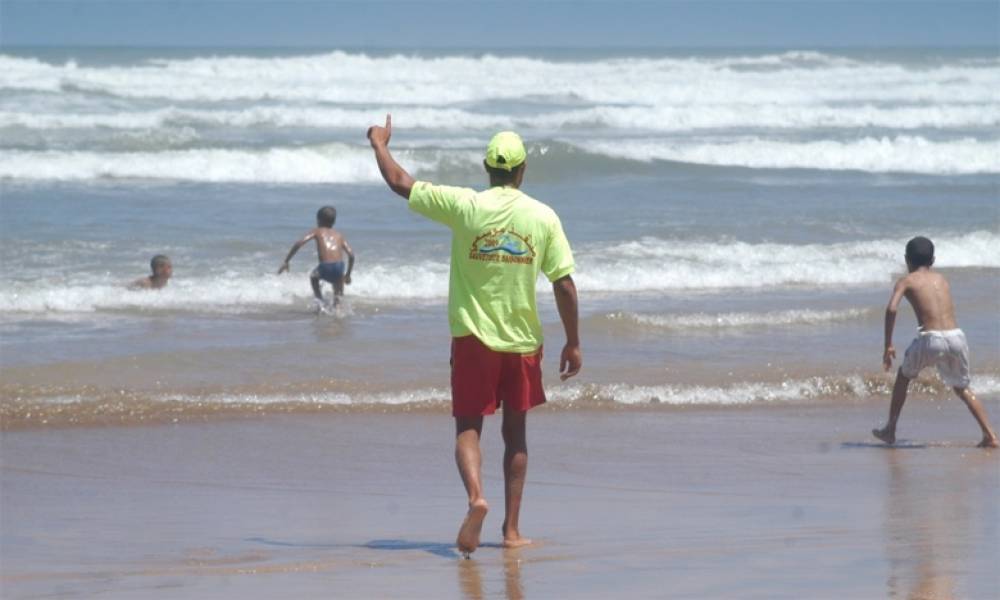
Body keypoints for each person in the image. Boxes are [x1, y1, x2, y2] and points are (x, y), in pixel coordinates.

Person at [367, 115, 582, 555]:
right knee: (516, 436)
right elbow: (564, 283)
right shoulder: (543, 217)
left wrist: (379, 144)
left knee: (469, 427)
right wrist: (573, 341)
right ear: (522, 171)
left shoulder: (465, 205)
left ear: (487, 169)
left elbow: (400, 182)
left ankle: (475, 498)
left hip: (471, 340)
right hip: (522, 343)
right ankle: (511, 531)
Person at [873, 236, 998, 448]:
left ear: (906, 260)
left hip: (930, 338)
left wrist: (888, 344)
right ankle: (990, 435)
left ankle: (890, 430)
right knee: (962, 387)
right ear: (933, 260)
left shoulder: (906, 281)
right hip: (957, 337)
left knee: (903, 377)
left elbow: (891, 308)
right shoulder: (942, 279)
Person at [278, 206, 355, 308]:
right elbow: (351, 255)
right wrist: (348, 275)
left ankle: (320, 301)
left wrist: (286, 261)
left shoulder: (317, 231)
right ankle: (338, 312)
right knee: (338, 296)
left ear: (318, 220)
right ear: (334, 222)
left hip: (325, 266)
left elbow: (299, 243)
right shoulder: (339, 235)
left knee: (314, 277)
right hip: (339, 266)